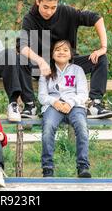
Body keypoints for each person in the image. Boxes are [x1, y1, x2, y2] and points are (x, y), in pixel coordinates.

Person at [19, 0, 112, 119]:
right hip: (46, 69)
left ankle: (94, 104)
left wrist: (103, 47)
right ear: (38, 1)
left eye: (53, 7)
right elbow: (23, 46)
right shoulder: (30, 19)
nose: (49, 12)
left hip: (70, 65)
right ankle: (30, 105)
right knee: (19, 60)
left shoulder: (67, 12)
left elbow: (96, 18)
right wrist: (40, 61)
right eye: (45, 7)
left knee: (101, 58)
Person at [39, 40, 91, 178]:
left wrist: (70, 103)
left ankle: (83, 166)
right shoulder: (46, 71)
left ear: (70, 54)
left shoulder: (77, 70)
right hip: (53, 106)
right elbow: (42, 96)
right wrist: (54, 102)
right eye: (57, 49)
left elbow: (83, 94)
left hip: (74, 106)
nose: (61, 52)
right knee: (48, 127)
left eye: (65, 50)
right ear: (52, 54)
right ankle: (47, 167)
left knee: (81, 126)